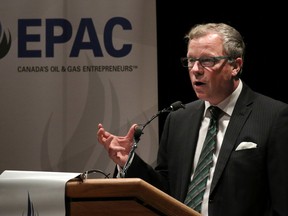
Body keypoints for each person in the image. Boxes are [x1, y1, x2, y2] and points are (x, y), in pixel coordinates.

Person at [97, 23, 288, 216]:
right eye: (190, 61)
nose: (195, 69)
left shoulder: (274, 117)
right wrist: (129, 161)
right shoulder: (178, 119)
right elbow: (165, 192)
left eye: (207, 61)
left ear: (235, 66)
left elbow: (282, 203)